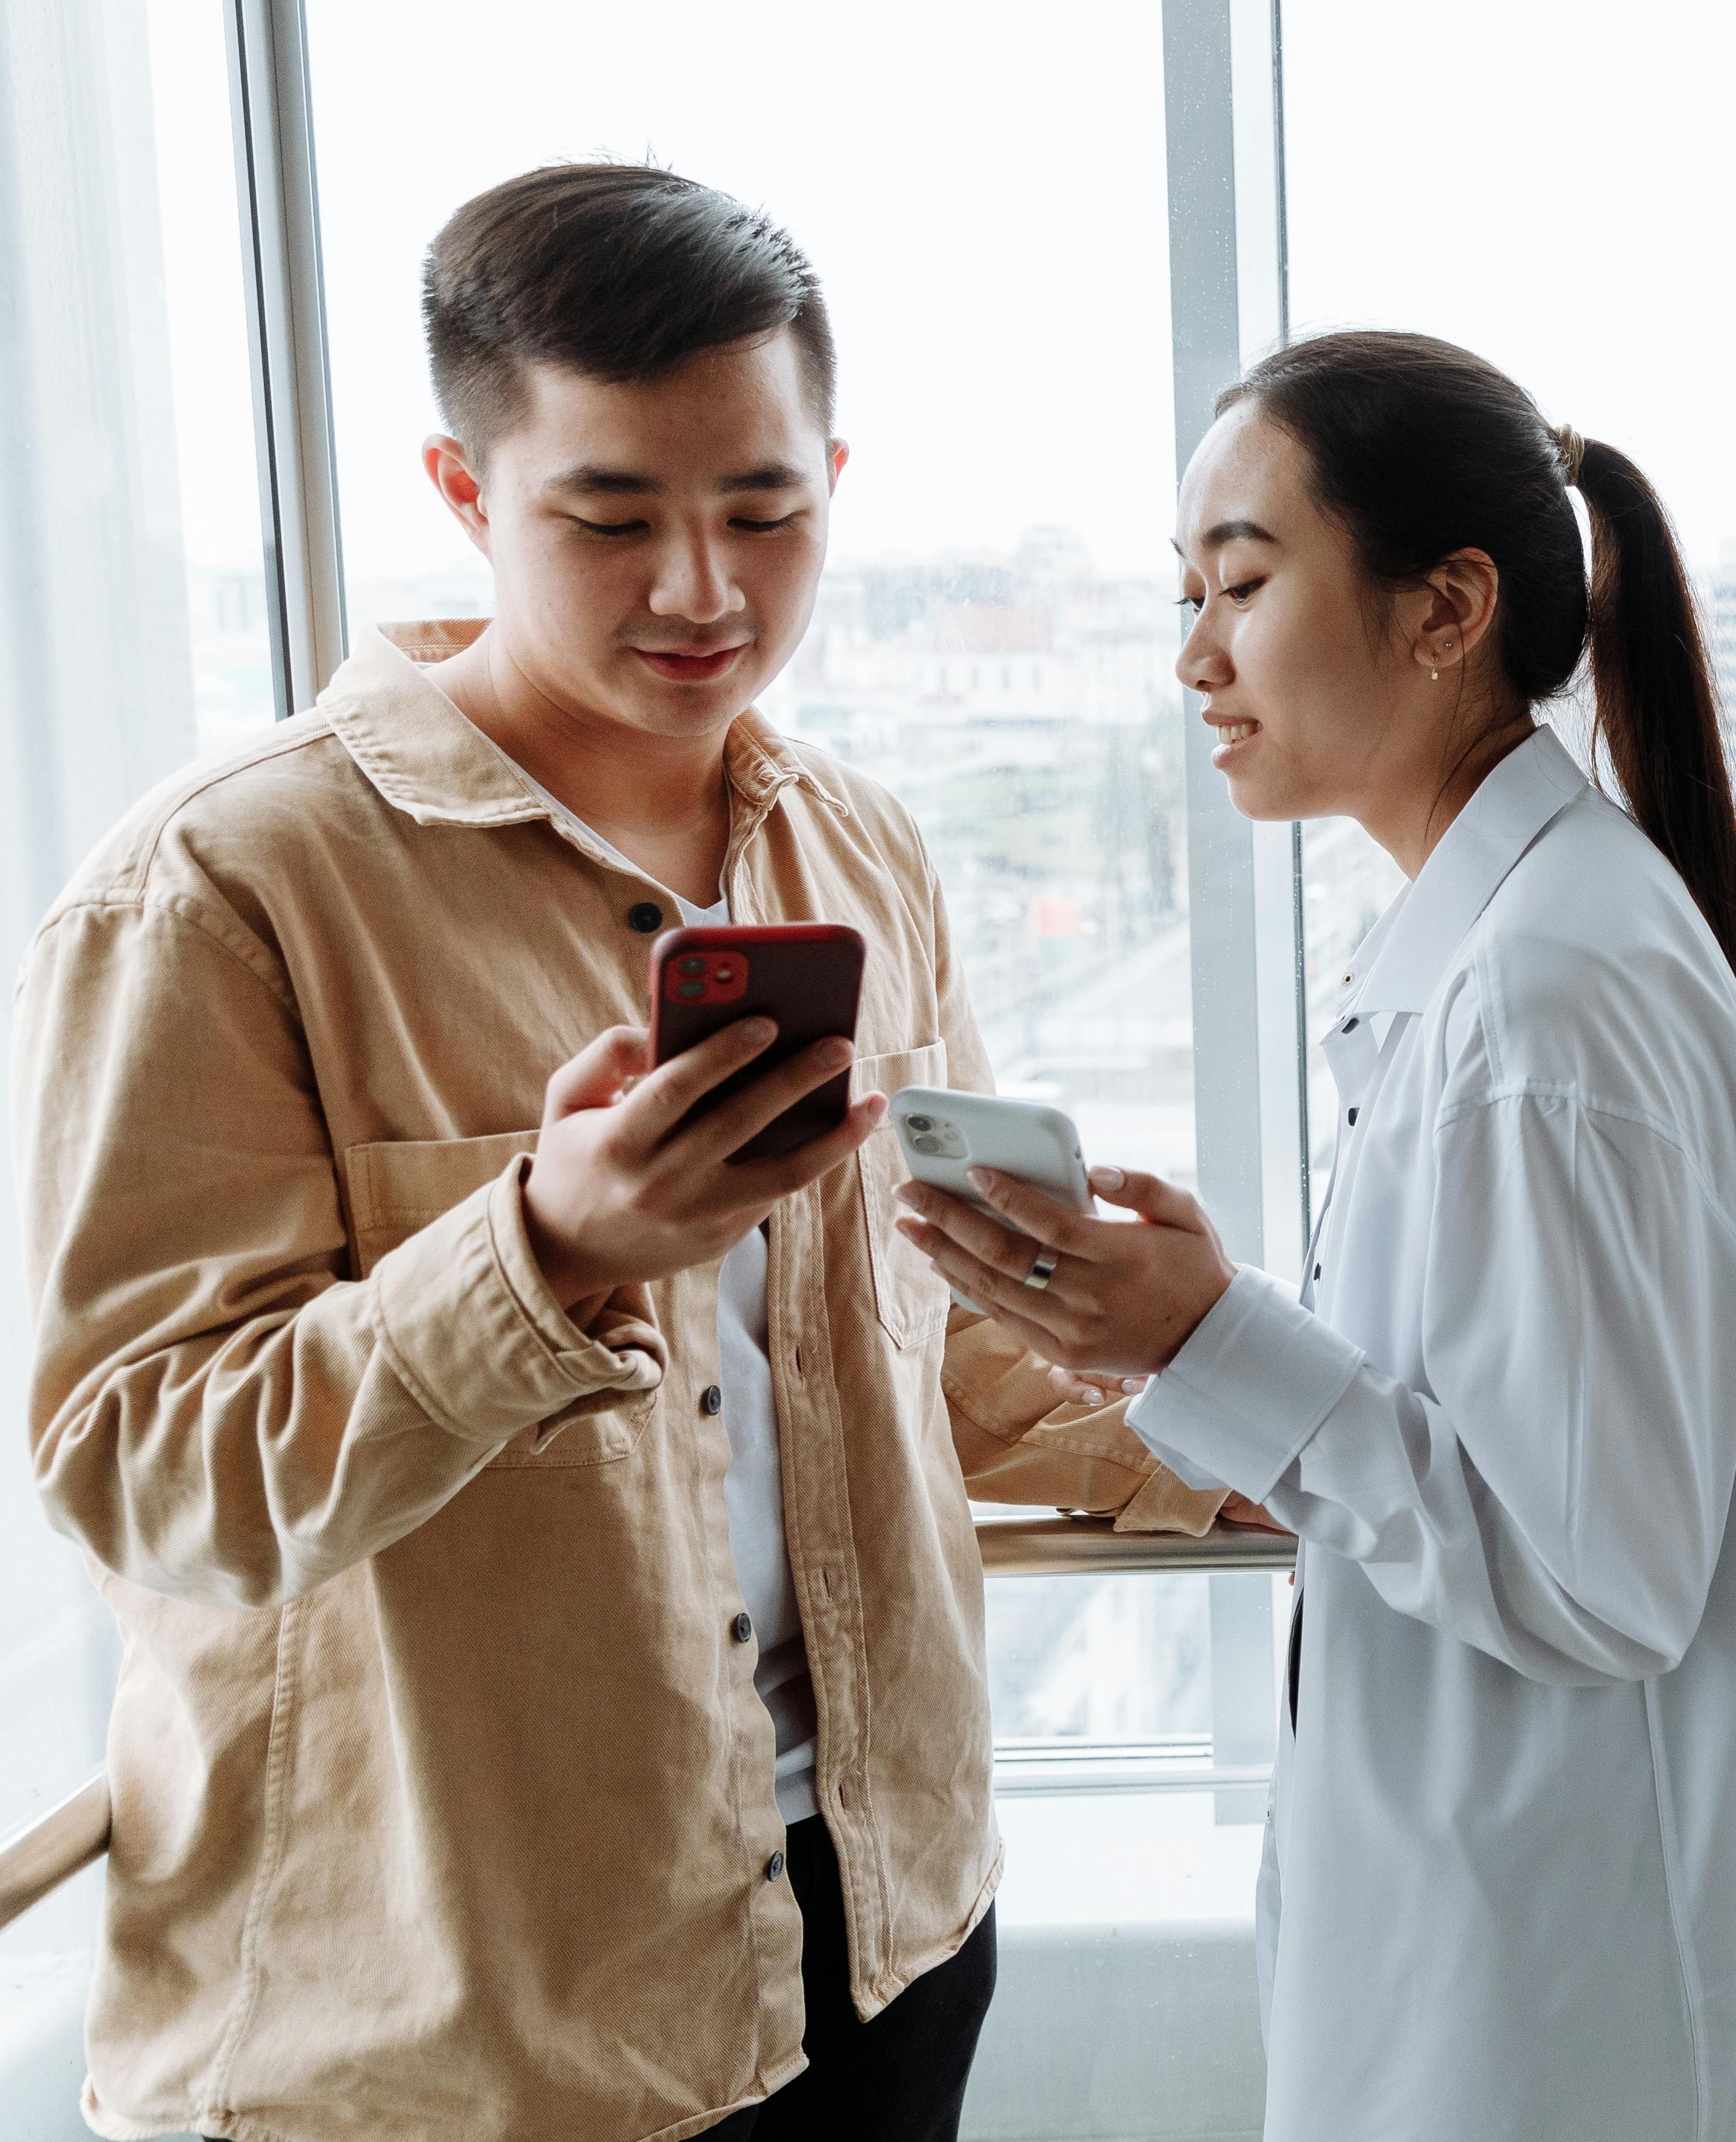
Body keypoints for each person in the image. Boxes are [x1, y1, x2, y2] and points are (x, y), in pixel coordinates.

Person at [11, 162, 1217, 2142]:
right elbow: (151, 1476)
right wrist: (545, 1251)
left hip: (886, 1931)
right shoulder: (223, 888)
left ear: (836, 471)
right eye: (611, 517)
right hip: (452, 2041)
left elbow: (936, 1362)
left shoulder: (860, 846)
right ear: (467, 491)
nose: (703, 591)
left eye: (765, 511)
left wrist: (1242, 1381)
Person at [891, 330, 1736, 2142]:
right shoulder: (1523, 939)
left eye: (1244, 582)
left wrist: (1206, 1344)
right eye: (1184, 594)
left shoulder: (1546, 995)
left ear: (1447, 607)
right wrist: (1200, 1327)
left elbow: (1601, 1570)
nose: (1195, 656)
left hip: (1557, 2009)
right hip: (1520, 1962)